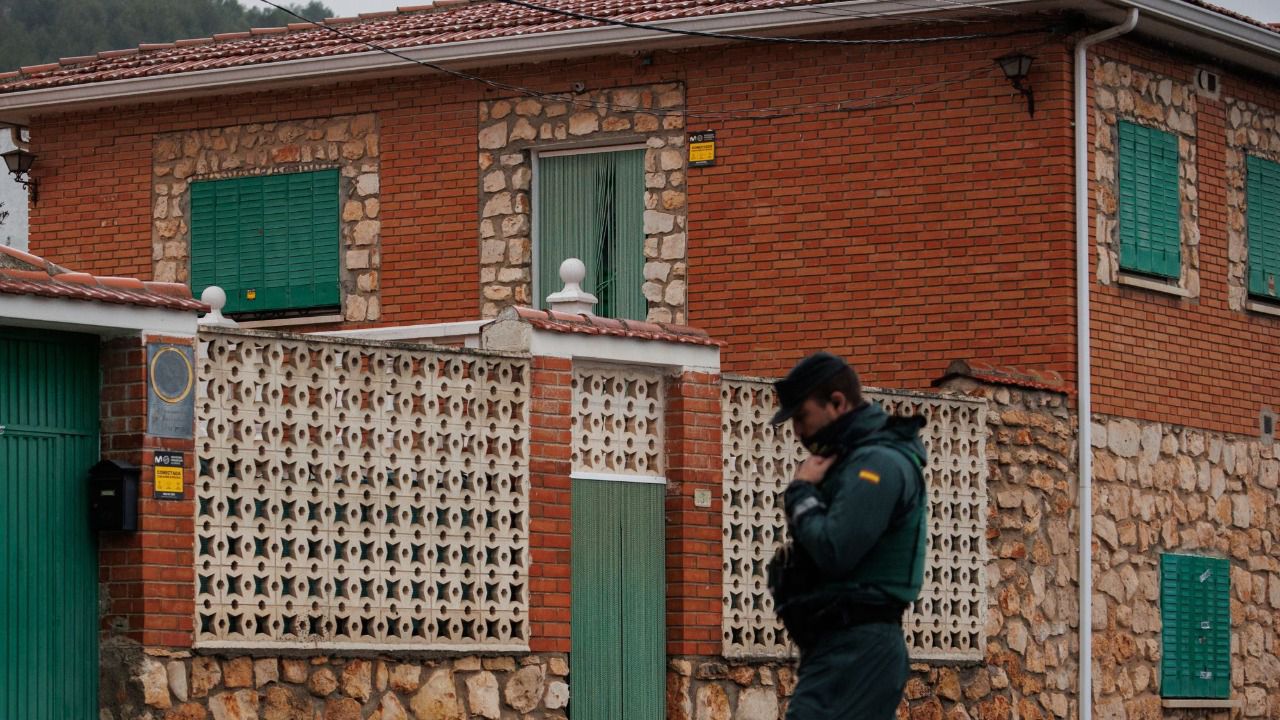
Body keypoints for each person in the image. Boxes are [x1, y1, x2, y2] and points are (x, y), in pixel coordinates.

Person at [766, 351, 928, 720]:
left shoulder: (878, 464)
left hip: (860, 647)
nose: (798, 432)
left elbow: (835, 548)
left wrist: (801, 493)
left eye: (803, 417)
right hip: (837, 645)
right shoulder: (852, 459)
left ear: (836, 403)